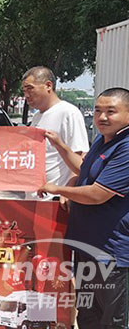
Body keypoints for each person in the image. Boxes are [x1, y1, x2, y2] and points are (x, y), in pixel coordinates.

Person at [38, 87, 129, 329]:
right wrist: (60, 145)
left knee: (112, 320)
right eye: (98, 110)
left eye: (111, 111)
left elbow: (98, 194)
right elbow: (84, 168)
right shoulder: (103, 139)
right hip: (87, 246)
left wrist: (58, 189)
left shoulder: (126, 147)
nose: (102, 117)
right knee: (88, 313)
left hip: (112, 253)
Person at [21, 66, 89, 199]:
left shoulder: (68, 113)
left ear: (48, 86)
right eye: (24, 90)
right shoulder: (37, 117)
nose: (26, 95)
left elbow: (79, 157)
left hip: (54, 198)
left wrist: (67, 192)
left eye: (30, 88)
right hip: (33, 196)